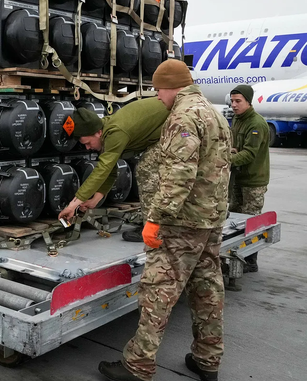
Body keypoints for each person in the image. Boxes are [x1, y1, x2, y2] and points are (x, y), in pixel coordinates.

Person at [98, 59, 231, 381]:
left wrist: (156, 218)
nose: (158, 97)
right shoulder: (214, 113)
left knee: (158, 292)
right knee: (207, 290)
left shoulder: (183, 116)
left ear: (172, 86)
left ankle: (138, 366)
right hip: (210, 219)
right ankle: (207, 360)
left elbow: (178, 173)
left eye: (158, 90)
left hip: (182, 223)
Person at [57, 98, 169, 243]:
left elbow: (103, 169)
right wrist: (94, 200)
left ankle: (154, 229)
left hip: (177, 124)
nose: (87, 148)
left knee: (146, 170)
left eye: (88, 143)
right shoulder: (105, 132)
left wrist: (73, 204)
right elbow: (110, 170)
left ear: (98, 133)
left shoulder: (115, 132)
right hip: (165, 129)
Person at [228, 84, 270, 282]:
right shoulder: (237, 119)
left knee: (251, 222)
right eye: (232, 101)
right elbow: (237, 147)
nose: (234, 105)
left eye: (238, 101)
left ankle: (251, 260)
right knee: (235, 220)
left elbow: (249, 154)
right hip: (238, 178)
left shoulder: (256, 124)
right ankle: (236, 256)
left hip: (253, 181)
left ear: (248, 102)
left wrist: (225, 159)